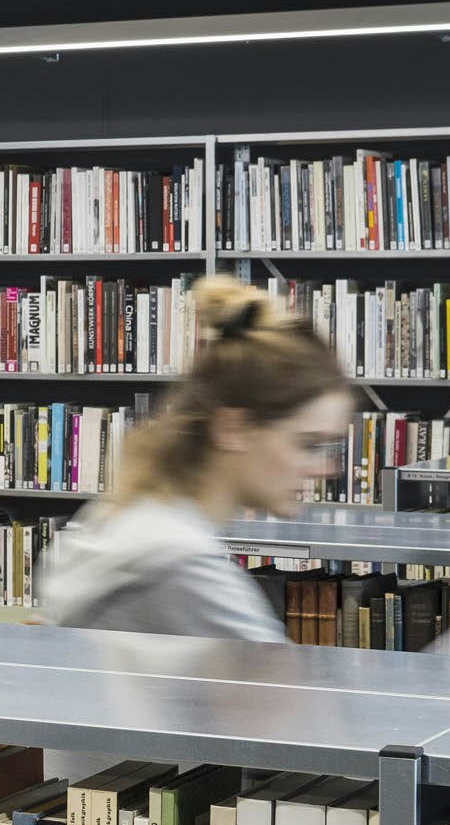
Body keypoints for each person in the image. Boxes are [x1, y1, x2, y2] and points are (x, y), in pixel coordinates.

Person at [39, 275, 354, 642]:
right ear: (233, 429)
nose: (326, 468)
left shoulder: (127, 516)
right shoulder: (183, 570)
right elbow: (285, 695)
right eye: (308, 444)